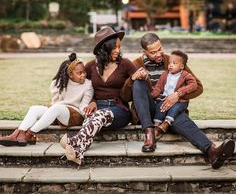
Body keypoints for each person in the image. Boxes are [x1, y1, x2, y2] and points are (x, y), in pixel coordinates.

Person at [121, 32, 235, 169]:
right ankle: (150, 134)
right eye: (153, 52)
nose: (159, 54)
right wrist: (132, 79)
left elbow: (198, 87)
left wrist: (178, 94)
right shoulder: (136, 64)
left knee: (181, 119)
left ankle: (212, 152)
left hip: (169, 110)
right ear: (144, 52)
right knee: (138, 83)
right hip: (147, 110)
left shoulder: (174, 61)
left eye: (160, 49)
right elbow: (125, 97)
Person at [60, 26, 140, 165]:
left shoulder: (125, 64)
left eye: (119, 47)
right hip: (98, 108)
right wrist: (93, 101)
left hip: (119, 110)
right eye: (114, 47)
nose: (118, 50)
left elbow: (141, 85)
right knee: (90, 118)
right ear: (104, 49)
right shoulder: (91, 66)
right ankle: (78, 152)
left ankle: (73, 141)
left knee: (99, 116)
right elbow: (86, 87)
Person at [0, 53, 94, 147]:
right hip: (57, 111)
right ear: (70, 74)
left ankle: (29, 134)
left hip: (74, 115)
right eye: (79, 73)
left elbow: (83, 105)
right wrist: (51, 112)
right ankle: (16, 134)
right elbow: (55, 102)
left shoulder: (88, 85)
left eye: (84, 72)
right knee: (35, 108)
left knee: (57, 108)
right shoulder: (61, 82)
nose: (84, 75)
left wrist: (88, 114)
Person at [151, 50, 198, 137]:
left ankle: (166, 123)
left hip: (180, 101)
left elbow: (194, 85)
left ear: (182, 66)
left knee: (174, 109)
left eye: (174, 63)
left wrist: (180, 92)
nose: (170, 65)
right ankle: (156, 126)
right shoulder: (165, 74)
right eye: (169, 63)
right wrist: (153, 94)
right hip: (165, 98)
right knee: (160, 107)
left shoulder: (185, 75)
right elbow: (158, 87)